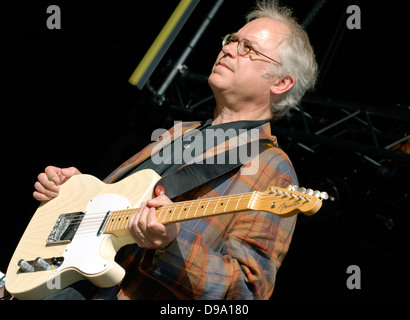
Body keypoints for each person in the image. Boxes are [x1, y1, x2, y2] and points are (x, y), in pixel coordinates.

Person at [33, 0, 317, 300]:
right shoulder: (179, 132)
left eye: (248, 48)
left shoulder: (273, 168)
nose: (230, 49)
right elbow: (105, 210)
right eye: (231, 40)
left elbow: (246, 292)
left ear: (281, 82)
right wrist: (72, 194)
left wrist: (171, 245)